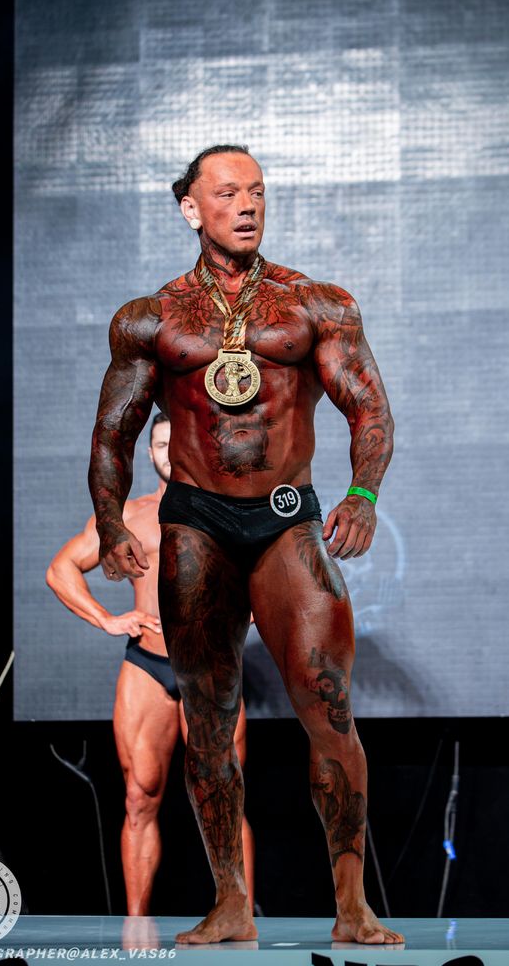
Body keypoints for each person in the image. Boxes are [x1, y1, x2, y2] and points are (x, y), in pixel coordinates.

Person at [88, 144, 403, 945]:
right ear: (191, 208)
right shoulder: (150, 318)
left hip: (285, 520)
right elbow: (114, 431)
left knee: (328, 709)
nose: (247, 204)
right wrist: (111, 521)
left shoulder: (314, 303)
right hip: (196, 524)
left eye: (256, 191)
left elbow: (368, 408)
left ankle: (351, 906)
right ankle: (230, 902)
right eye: (227, 193)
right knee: (206, 719)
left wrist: (363, 494)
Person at [46, 412, 256, 915]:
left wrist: (251, 607)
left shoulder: (229, 510)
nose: (169, 452)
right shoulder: (131, 517)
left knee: (224, 798)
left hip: (209, 668)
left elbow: (270, 570)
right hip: (147, 665)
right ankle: (136, 927)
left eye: (176, 442)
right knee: (139, 797)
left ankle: (240, 918)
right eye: (160, 444)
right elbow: (61, 569)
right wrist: (107, 618)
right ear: (151, 453)